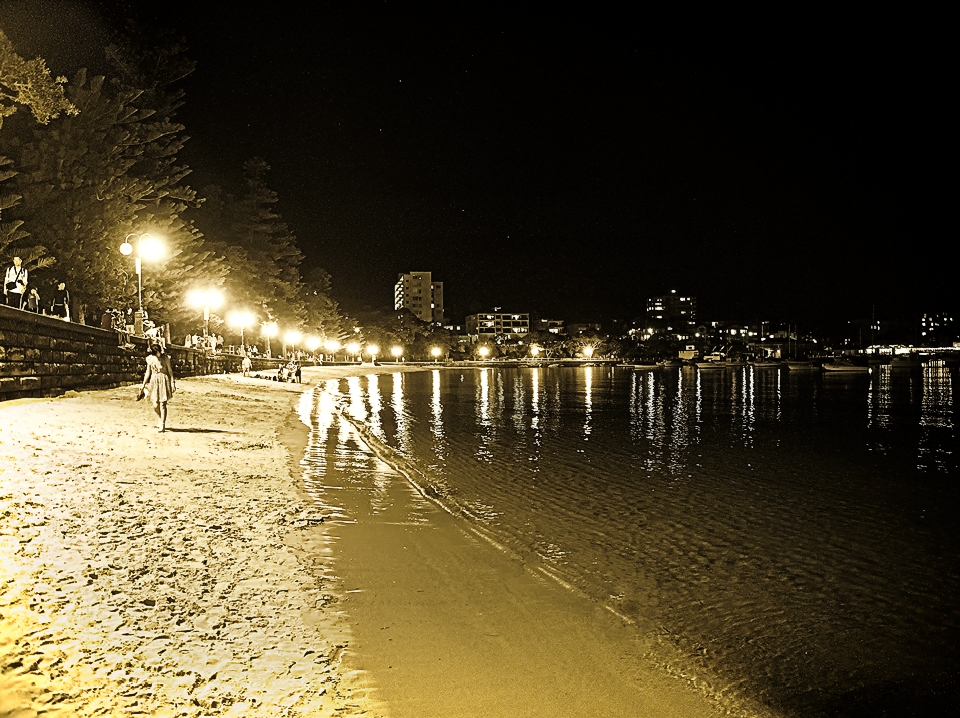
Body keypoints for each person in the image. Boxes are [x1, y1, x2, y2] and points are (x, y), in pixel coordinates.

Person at [139, 344, 176, 432]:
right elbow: (148, 373)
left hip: (164, 380)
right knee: (155, 405)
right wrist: (143, 384)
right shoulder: (150, 359)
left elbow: (170, 370)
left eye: (159, 352)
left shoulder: (166, 358)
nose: (158, 354)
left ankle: (162, 424)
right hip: (154, 381)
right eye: (156, 353)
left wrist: (172, 382)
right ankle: (160, 418)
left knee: (163, 403)